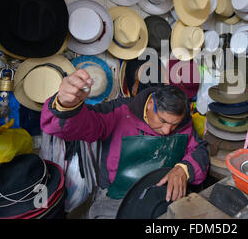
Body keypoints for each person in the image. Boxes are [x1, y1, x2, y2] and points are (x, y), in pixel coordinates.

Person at [40, 69, 209, 219]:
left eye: (174, 125)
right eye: (163, 121)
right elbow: (73, 127)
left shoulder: (184, 122)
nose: (167, 130)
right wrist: (65, 106)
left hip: (164, 196)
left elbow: (198, 150)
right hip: (118, 199)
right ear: (151, 105)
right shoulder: (118, 112)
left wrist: (184, 169)